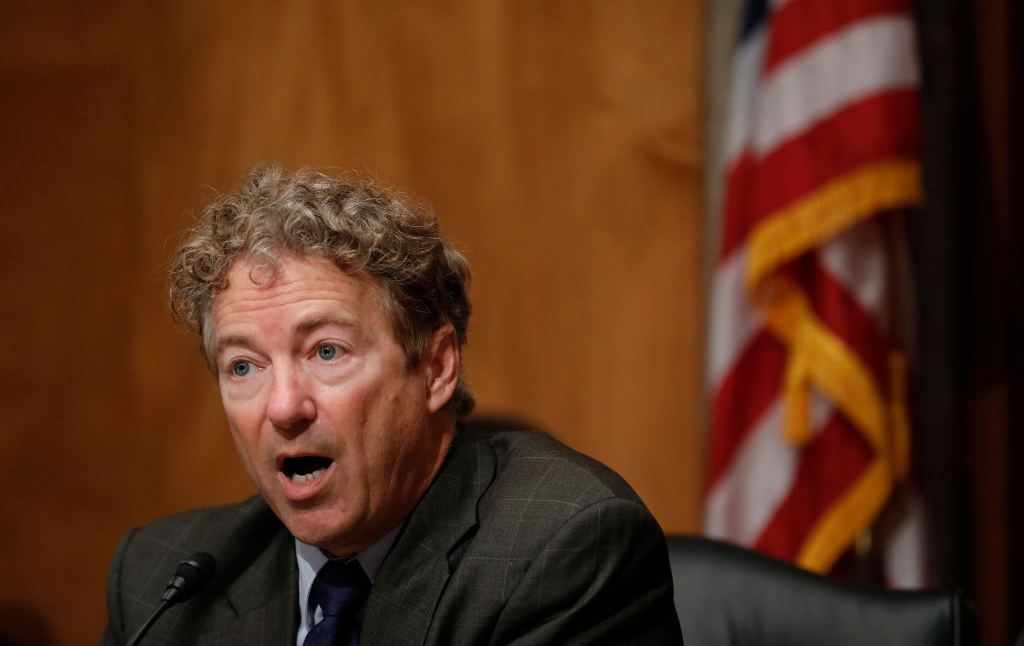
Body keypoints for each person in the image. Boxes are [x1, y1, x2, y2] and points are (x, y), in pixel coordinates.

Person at [101, 164, 683, 645]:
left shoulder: (560, 548)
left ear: (436, 367)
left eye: (327, 351)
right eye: (244, 366)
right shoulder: (162, 581)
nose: (283, 407)